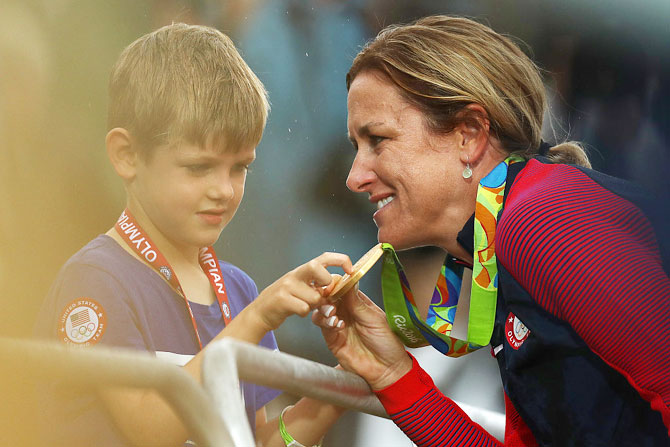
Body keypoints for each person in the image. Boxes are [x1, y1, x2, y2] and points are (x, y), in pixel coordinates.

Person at [312, 15, 670, 446]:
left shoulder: (541, 220)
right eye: (355, 147)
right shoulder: (504, 243)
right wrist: (392, 373)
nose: (354, 177)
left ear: (469, 135)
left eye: (378, 140)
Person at [34, 23, 353, 447]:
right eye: (198, 167)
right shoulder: (97, 279)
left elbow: (254, 441)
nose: (223, 189)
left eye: (240, 167)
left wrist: (343, 385)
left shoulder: (238, 289)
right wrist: (256, 319)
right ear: (127, 156)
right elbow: (149, 430)